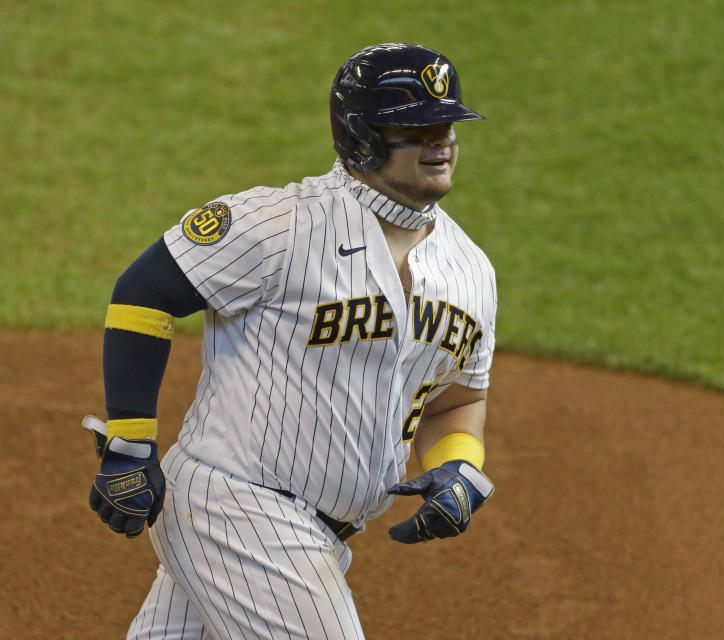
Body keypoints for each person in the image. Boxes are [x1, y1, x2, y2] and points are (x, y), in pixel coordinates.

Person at [83, 42, 496, 640]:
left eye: (447, 125)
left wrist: (459, 468)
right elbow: (144, 291)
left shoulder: (471, 271)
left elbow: (456, 402)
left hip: (318, 535)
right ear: (361, 136)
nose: (441, 142)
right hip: (237, 508)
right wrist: (129, 445)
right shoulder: (281, 225)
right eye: (416, 127)